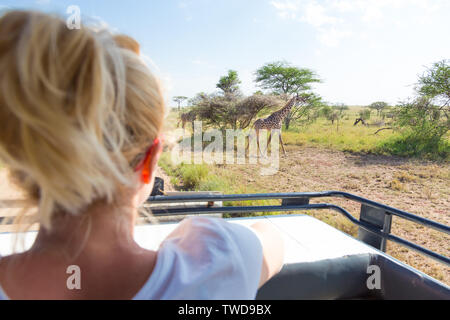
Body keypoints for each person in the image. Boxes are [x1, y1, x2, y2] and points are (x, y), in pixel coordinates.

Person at [0, 10, 284, 300]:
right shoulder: (219, 261)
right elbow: (272, 241)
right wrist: (191, 238)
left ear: (19, 167)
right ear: (150, 161)